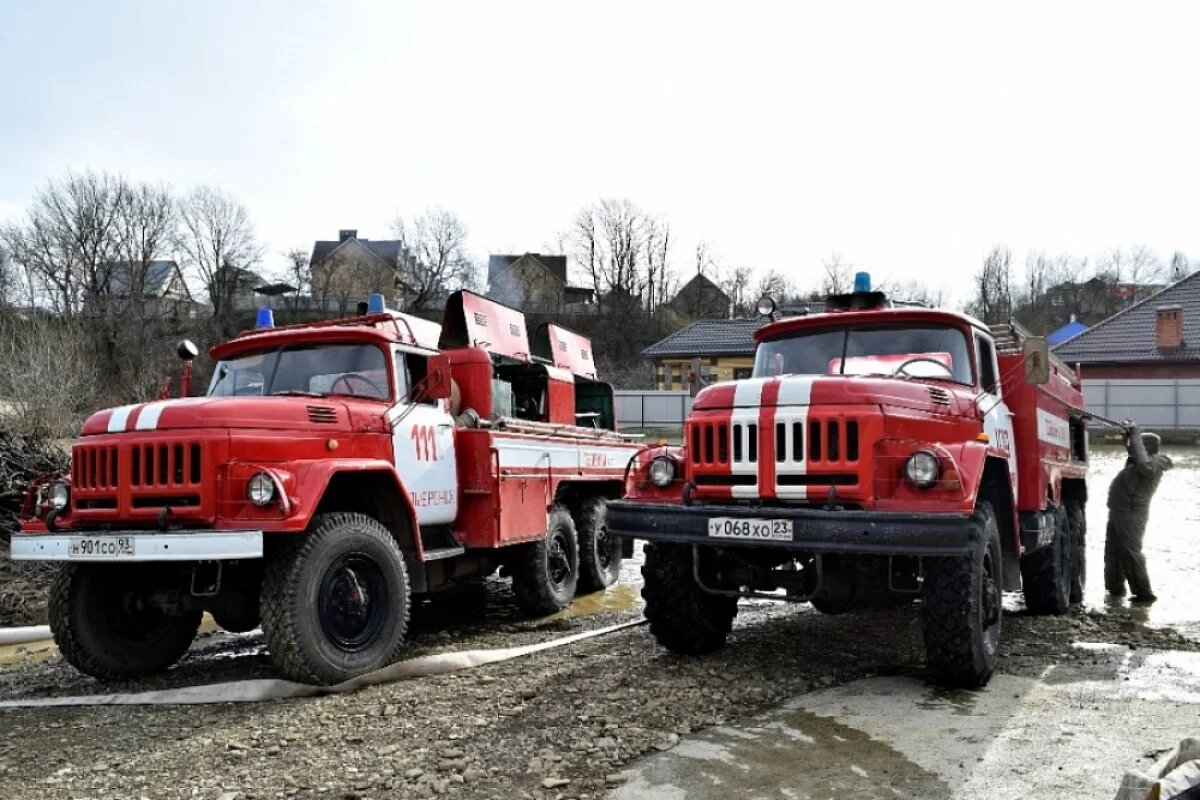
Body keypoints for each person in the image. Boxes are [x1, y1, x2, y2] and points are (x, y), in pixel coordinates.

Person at [1105, 424, 1173, 603]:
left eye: (1140, 445)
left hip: (1131, 514)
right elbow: (1133, 452)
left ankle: (1144, 594)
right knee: (1113, 552)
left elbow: (1144, 465)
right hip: (1119, 512)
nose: (1136, 448)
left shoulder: (1155, 464)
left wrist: (1135, 435)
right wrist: (1128, 436)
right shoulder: (1138, 461)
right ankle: (1115, 591)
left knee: (1130, 552)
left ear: (1148, 448)